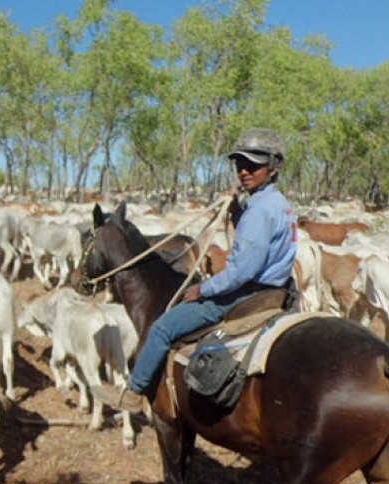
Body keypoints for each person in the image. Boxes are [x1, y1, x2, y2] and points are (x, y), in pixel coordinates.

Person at [90, 128, 297, 412]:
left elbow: (241, 273)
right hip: (276, 290)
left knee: (162, 328)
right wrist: (237, 211)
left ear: (273, 169)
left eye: (253, 165)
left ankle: (135, 393)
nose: (244, 172)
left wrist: (203, 288)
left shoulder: (260, 210)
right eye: (240, 165)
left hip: (247, 294)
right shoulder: (279, 204)